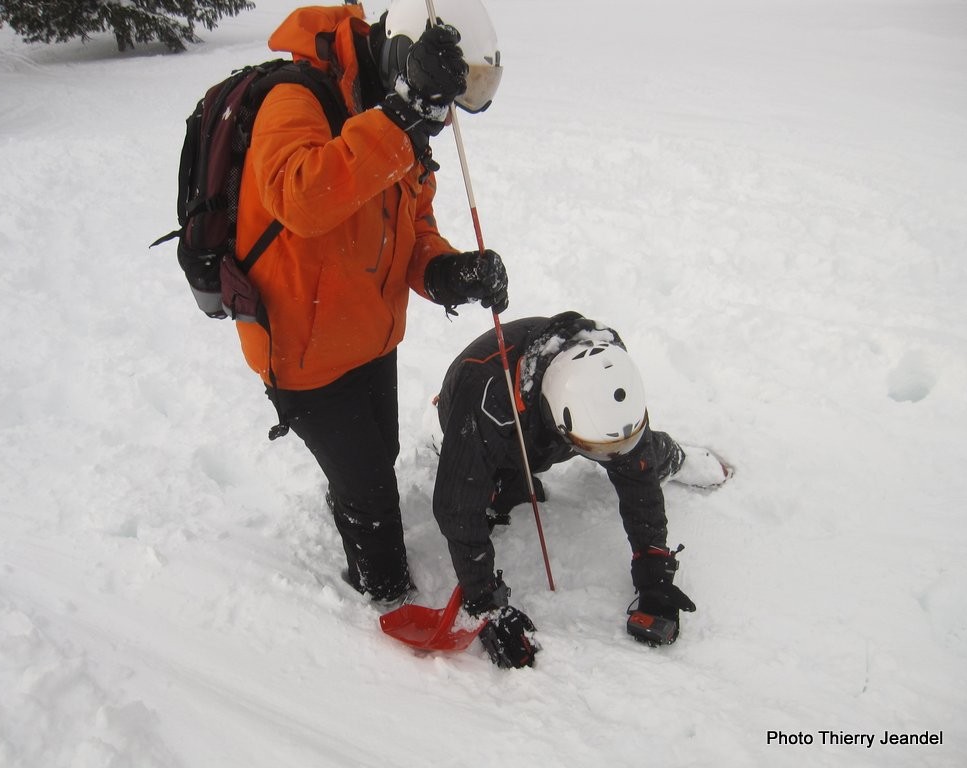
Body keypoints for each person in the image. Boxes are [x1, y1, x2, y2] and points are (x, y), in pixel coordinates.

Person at [234, 1, 508, 604]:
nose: (438, 117)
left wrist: (450, 273)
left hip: (371, 339)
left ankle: (356, 511)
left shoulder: (404, 122)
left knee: (375, 459)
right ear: (401, 57)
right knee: (369, 488)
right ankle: (382, 594)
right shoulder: (296, 96)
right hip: (304, 354)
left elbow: (416, 229)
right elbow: (301, 198)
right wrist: (401, 116)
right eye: (434, 102)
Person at [430, 311, 732, 668]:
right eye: (592, 449)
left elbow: (635, 472)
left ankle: (678, 457)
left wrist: (653, 565)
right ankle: (501, 474)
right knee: (486, 492)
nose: (608, 458)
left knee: (638, 452)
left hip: (553, 421)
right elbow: (456, 508)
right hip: (478, 420)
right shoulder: (488, 398)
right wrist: (485, 604)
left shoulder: (608, 376)